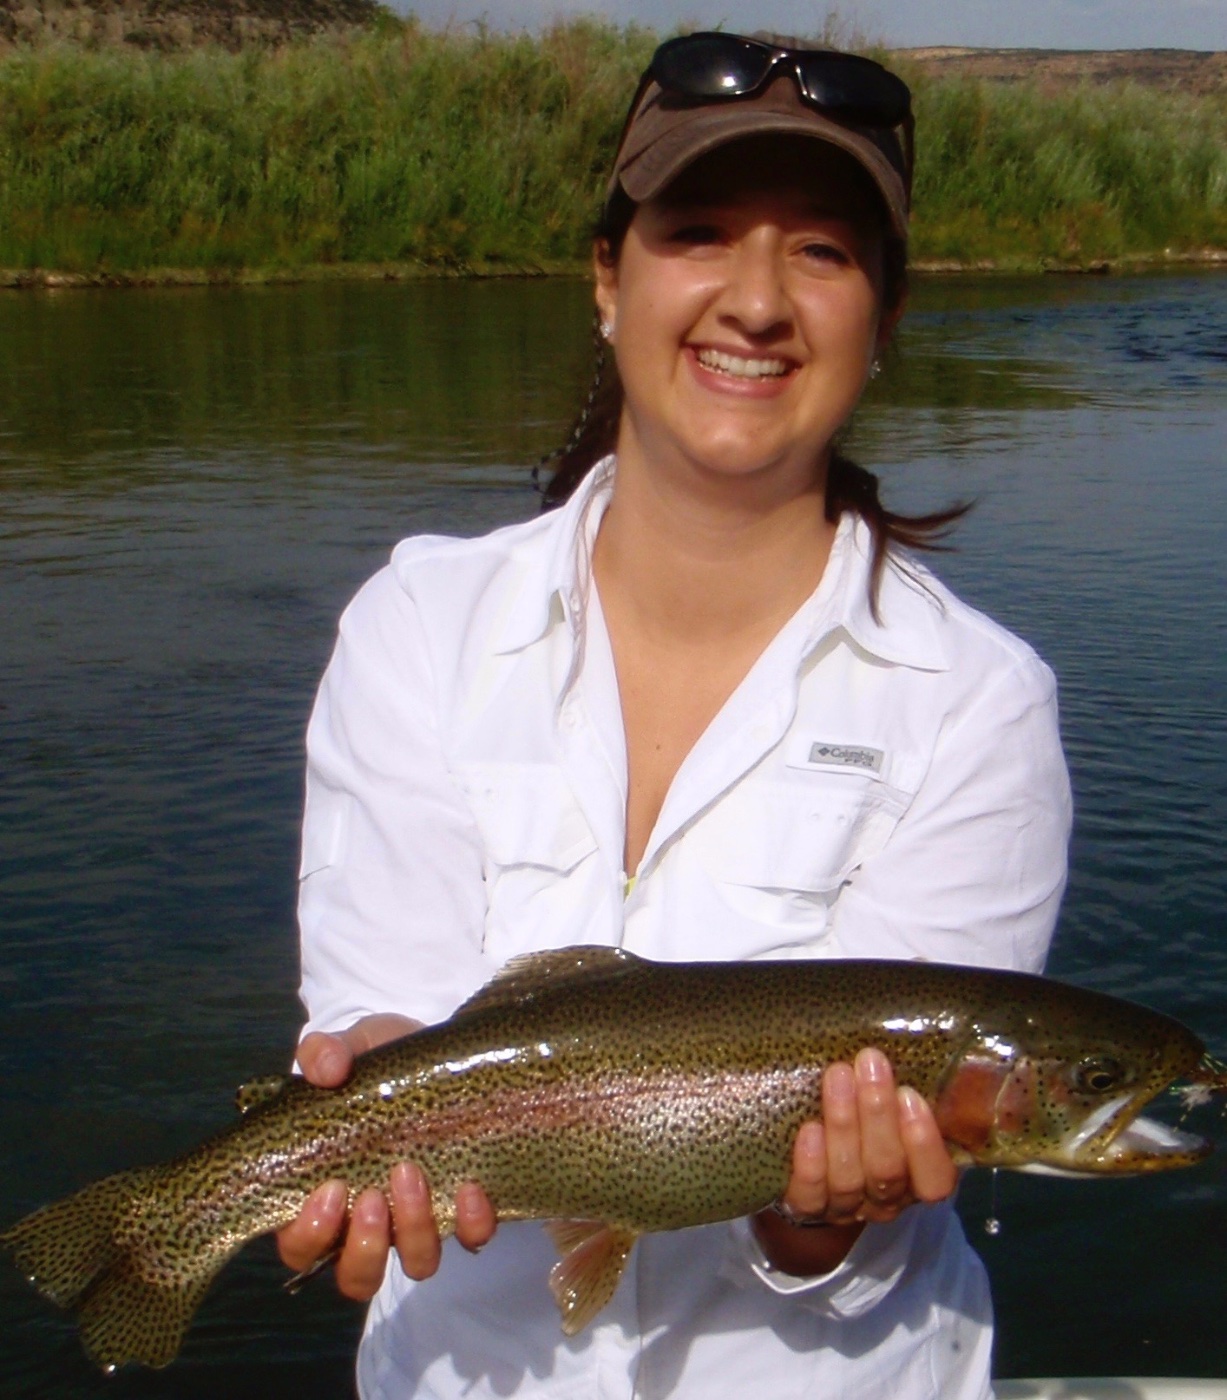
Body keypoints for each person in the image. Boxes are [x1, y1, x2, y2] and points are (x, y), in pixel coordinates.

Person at [277, 31, 1072, 1400]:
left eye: (821, 252)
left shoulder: (981, 702)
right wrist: (369, 1108)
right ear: (609, 277)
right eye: (699, 233)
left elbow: (864, 1200)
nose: (756, 301)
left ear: (885, 317)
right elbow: (383, 1004)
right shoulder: (418, 624)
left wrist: (823, 1216)